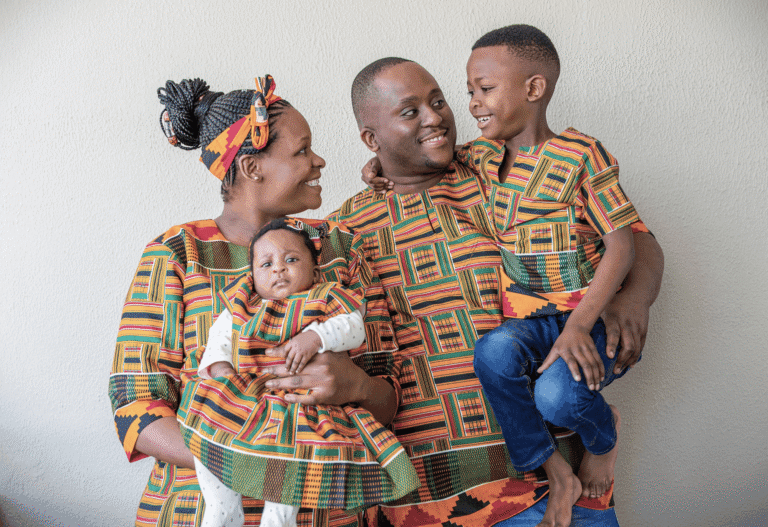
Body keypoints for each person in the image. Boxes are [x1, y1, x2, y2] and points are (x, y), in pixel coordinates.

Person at [334, 57, 663, 527]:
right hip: (427, 495)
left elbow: (635, 238)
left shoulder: (495, 167)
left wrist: (633, 300)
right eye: (410, 112)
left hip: (555, 483)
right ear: (372, 139)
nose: (435, 117)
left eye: (438, 101)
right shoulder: (344, 232)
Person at [109, 75, 400, 527]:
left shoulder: (342, 248)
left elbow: (390, 394)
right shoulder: (178, 254)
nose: (319, 160)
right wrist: (248, 454)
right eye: (302, 150)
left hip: (329, 514)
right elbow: (134, 406)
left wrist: (356, 386)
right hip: (196, 512)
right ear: (251, 167)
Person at [462, 24, 642, 527]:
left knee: (558, 398)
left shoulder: (581, 153)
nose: (474, 102)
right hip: (530, 322)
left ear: (534, 88)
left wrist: (580, 325)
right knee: (492, 354)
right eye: (470, 90)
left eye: (485, 88)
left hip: (589, 319)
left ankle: (603, 437)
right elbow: (427, 156)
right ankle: (554, 471)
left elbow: (622, 244)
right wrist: (377, 167)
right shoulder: (482, 157)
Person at [184, 217, 418, 527]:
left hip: (298, 405)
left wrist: (317, 337)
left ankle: (279, 519)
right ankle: (222, 507)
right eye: (266, 264)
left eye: (291, 260)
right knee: (206, 432)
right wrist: (221, 369)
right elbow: (219, 339)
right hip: (246, 399)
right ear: (252, 277)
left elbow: (353, 328)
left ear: (316, 272)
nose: (278, 269)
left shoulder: (324, 297)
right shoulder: (242, 307)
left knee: (293, 457)